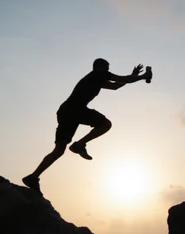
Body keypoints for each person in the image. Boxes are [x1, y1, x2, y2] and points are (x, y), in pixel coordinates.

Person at [22, 58, 149, 196]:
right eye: (106, 67)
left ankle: (33, 177)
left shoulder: (95, 78)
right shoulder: (98, 74)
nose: (108, 70)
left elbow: (115, 86)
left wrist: (134, 76)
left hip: (67, 111)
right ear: (100, 67)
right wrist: (140, 76)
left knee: (59, 150)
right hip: (75, 110)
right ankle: (79, 144)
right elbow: (122, 79)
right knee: (105, 124)